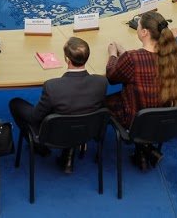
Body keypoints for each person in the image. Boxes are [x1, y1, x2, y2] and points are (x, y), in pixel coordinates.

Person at [8, 37, 107, 174]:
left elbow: (36, 116)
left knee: (15, 103)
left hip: (56, 134)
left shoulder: (52, 86)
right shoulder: (101, 82)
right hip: (87, 132)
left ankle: (39, 147)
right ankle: (69, 152)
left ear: (67, 59)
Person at [105, 11, 177, 169]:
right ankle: (144, 149)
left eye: (138, 24)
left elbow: (111, 76)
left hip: (136, 119)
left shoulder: (132, 58)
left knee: (104, 100)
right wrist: (125, 54)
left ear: (144, 32)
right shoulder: (172, 55)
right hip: (165, 116)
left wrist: (113, 55)